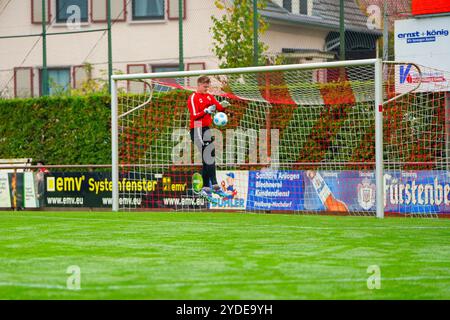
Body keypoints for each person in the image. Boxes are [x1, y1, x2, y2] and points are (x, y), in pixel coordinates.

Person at [187, 76, 230, 200]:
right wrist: (206, 111)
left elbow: (218, 107)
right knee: (208, 155)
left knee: (209, 157)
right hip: (197, 128)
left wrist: (223, 105)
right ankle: (215, 187)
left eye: (208, 87)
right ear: (199, 85)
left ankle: (206, 188)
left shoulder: (209, 96)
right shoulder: (193, 98)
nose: (207, 89)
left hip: (206, 129)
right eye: (205, 87)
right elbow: (194, 116)